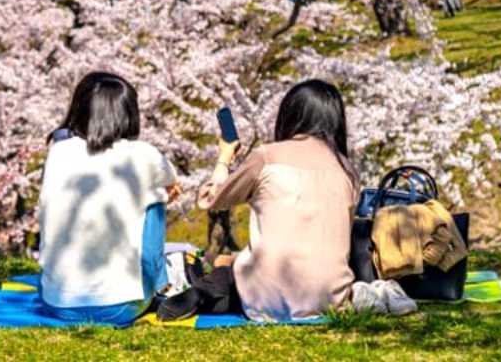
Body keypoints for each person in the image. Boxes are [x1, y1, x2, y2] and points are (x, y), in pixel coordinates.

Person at [164, 79, 414, 322]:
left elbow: (211, 199)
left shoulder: (267, 156)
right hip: (330, 297)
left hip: (267, 295)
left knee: (230, 270)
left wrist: (225, 157)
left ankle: (202, 289)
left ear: (290, 115)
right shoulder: (347, 170)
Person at [37, 71, 179, 326]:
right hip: (120, 306)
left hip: (56, 301)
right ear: (129, 113)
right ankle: (160, 285)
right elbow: (171, 181)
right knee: (156, 197)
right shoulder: (144, 154)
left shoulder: (58, 152)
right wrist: (162, 193)